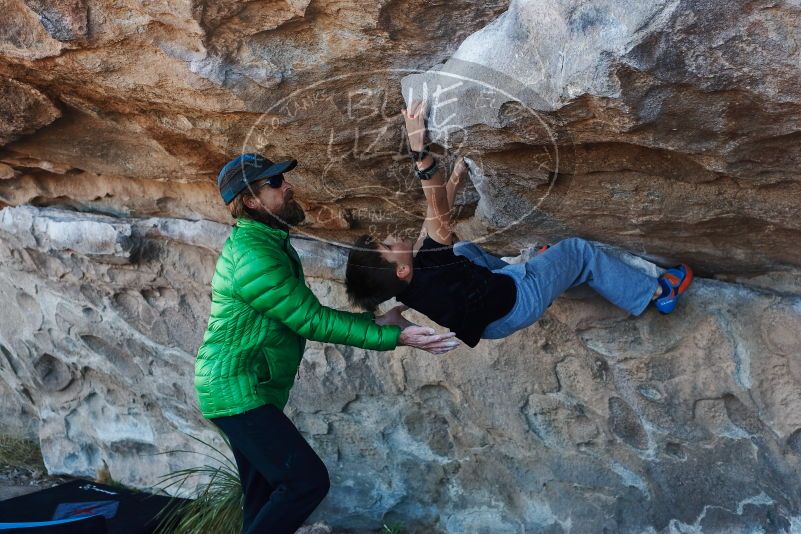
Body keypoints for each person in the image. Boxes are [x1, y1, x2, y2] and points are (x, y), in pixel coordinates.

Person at [194, 153, 459, 534]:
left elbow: (302, 313)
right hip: (234, 390)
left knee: (263, 495)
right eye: (274, 183)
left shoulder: (266, 242)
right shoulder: (254, 257)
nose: (287, 186)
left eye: (282, 178)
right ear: (250, 200)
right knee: (306, 482)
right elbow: (311, 320)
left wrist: (376, 320)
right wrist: (392, 335)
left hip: (245, 387)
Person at [345, 100, 694, 348]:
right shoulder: (432, 267)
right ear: (402, 270)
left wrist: (455, 179)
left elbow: (433, 221)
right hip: (516, 302)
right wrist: (418, 150)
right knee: (579, 251)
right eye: (389, 247)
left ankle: (542, 271)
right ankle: (658, 293)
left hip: (489, 319)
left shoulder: (412, 280)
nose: (391, 237)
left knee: (465, 249)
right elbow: (434, 207)